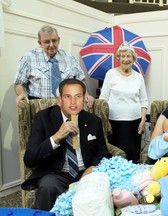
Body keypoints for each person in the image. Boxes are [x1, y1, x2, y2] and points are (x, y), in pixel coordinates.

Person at [21, 78, 111, 210]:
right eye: (68, 97)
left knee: (103, 184)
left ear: (84, 99)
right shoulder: (43, 118)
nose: (73, 102)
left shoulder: (93, 121)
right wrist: (56, 137)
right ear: (59, 100)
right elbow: (29, 159)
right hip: (57, 174)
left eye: (78, 96)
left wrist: (92, 167)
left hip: (84, 173)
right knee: (48, 185)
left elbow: (103, 153)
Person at [14, 24, 94, 107]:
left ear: (58, 40)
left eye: (54, 41)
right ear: (40, 43)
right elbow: (19, 83)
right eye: (47, 42)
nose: (51, 45)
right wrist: (21, 93)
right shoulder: (28, 57)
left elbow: (81, 79)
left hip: (66, 105)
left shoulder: (70, 57)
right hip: (39, 106)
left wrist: (86, 94)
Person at [99, 42, 148, 163]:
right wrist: (105, 122)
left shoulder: (138, 77)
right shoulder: (110, 74)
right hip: (114, 123)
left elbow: (144, 100)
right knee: (116, 158)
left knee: (133, 159)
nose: (126, 59)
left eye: (129, 56)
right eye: (123, 56)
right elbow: (103, 99)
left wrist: (142, 121)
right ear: (118, 58)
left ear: (133, 58)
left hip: (135, 123)